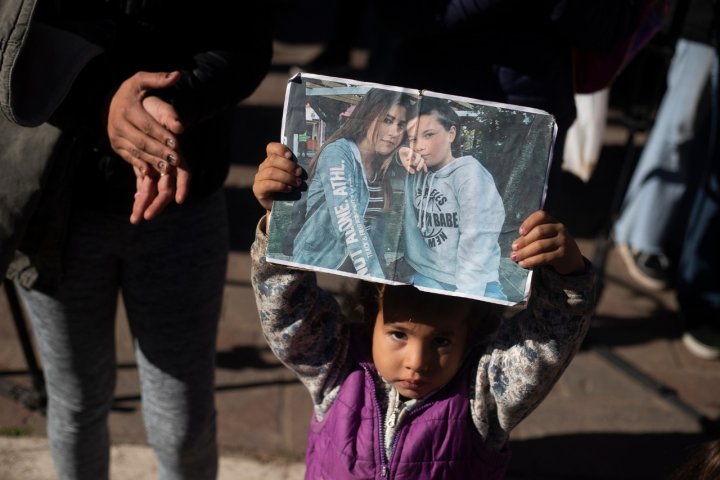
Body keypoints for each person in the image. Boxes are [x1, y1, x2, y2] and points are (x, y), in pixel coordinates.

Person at [0, 1, 273, 479]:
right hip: (54, 202)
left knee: (182, 419)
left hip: (183, 197)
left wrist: (164, 112)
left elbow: (248, 42)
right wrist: (102, 102)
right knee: (75, 399)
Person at [251, 142, 597, 478]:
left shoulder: (483, 394)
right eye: (398, 334)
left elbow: (546, 340)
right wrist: (281, 222)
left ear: (472, 331)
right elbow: (287, 310)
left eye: (442, 341)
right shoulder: (338, 366)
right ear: (373, 311)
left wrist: (567, 275)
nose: (417, 362)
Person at [369, 0, 643, 215]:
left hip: (523, 125)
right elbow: (399, 11)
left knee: (497, 262)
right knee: (391, 262)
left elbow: (608, 29)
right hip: (423, 96)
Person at [612, 0, 719, 359]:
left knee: (703, 148)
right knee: (682, 125)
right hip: (704, 25)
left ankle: (678, 248)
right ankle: (644, 234)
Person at [289, 88, 415, 279]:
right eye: (387, 120)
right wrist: (375, 279)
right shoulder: (338, 153)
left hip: (356, 271)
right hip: (320, 265)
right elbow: (348, 225)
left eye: (401, 125)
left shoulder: (382, 164)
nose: (394, 132)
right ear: (368, 116)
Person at [397, 97, 506, 300]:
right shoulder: (413, 170)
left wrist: (464, 297)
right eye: (412, 139)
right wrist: (399, 153)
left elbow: (477, 242)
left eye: (428, 135)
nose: (419, 146)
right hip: (424, 275)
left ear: (451, 133)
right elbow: (377, 162)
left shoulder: (470, 175)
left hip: (476, 282)